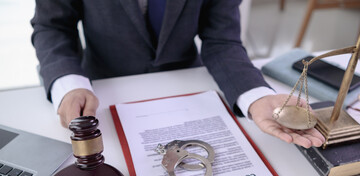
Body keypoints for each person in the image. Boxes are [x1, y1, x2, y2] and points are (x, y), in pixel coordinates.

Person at [31, 0, 324, 148]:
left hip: (186, 85)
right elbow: (53, 26)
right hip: (105, 91)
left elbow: (221, 40)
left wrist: (256, 95)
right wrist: (69, 84)